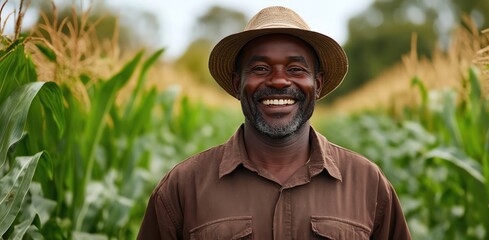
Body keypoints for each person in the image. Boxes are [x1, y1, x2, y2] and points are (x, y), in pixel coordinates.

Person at [138, 6, 411, 240]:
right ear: (237, 85)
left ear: (316, 85)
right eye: (260, 69)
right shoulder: (183, 187)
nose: (279, 81)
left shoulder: (368, 183)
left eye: (295, 69)